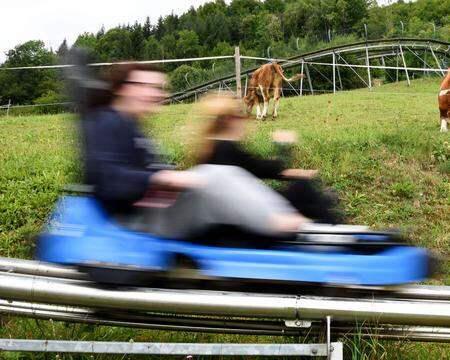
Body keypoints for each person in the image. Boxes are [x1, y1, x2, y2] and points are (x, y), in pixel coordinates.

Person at [81, 63, 310, 240]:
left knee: (216, 175)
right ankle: (280, 223)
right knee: (217, 175)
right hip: (138, 220)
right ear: (124, 89)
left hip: (156, 209)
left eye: (159, 88)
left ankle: (281, 219)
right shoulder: (105, 122)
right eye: (150, 87)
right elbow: (107, 178)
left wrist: (169, 177)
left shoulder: (129, 125)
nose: (158, 95)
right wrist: (165, 177)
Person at [190, 94, 342, 224]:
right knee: (302, 189)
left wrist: (294, 172)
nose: (245, 120)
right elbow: (265, 169)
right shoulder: (226, 148)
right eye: (241, 116)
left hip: (234, 212)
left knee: (306, 193)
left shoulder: (208, 148)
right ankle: (336, 234)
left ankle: (327, 211)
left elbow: (258, 168)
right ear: (230, 120)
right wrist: (283, 146)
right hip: (248, 214)